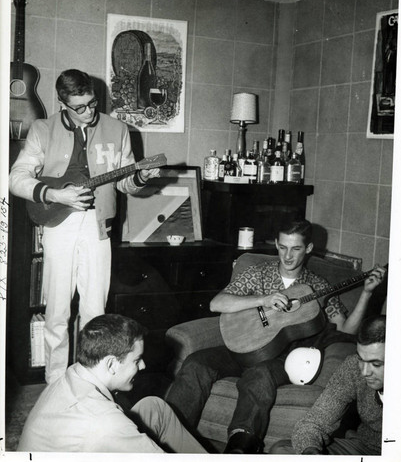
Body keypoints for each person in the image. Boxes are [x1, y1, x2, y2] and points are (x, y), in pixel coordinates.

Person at [165, 219, 386, 454]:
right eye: (282, 247)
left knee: (258, 376)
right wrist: (262, 300)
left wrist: (366, 293)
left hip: (280, 358)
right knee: (196, 362)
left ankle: (239, 449)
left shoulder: (317, 286)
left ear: (309, 248)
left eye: (296, 248)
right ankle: (167, 436)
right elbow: (216, 303)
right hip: (240, 348)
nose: (287, 256)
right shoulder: (258, 273)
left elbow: (345, 330)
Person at [9, 69, 160, 385]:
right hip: (58, 223)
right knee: (57, 312)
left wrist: (140, 178)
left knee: (94, 311)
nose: (89, 112)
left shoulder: (117, 129)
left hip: (97, 226)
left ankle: (92, 383)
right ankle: (54, 383)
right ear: (63, 102)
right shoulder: (42, 129)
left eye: (92, 103)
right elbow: (16, 178)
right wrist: (54, 193)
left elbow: (124, 183)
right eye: (79, 107)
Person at [17, 314, 207, 453]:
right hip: (96, 432)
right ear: (111, 364)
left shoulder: (72, 374)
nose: (143, 366)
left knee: (155, 407)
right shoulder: (106, 422)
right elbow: (107, 425)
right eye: (137, 360)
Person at [269, 314, 386, 456]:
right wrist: (310, 451)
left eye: (376, 364)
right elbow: (315, 421)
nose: (365, 372)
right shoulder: (353, 367)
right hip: (364, 447)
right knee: (281, 450)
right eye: (361, 359)